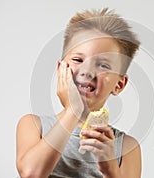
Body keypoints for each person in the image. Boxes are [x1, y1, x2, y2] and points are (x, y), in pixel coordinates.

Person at [16, 8, 141, 178]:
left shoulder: (126, 147)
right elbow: (32, 174)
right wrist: (72, 111)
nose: (87, 71)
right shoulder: (34, 125)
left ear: (119, 84)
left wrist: (110, 168)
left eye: (103, 65)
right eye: (77, 59)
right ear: (61, 69)